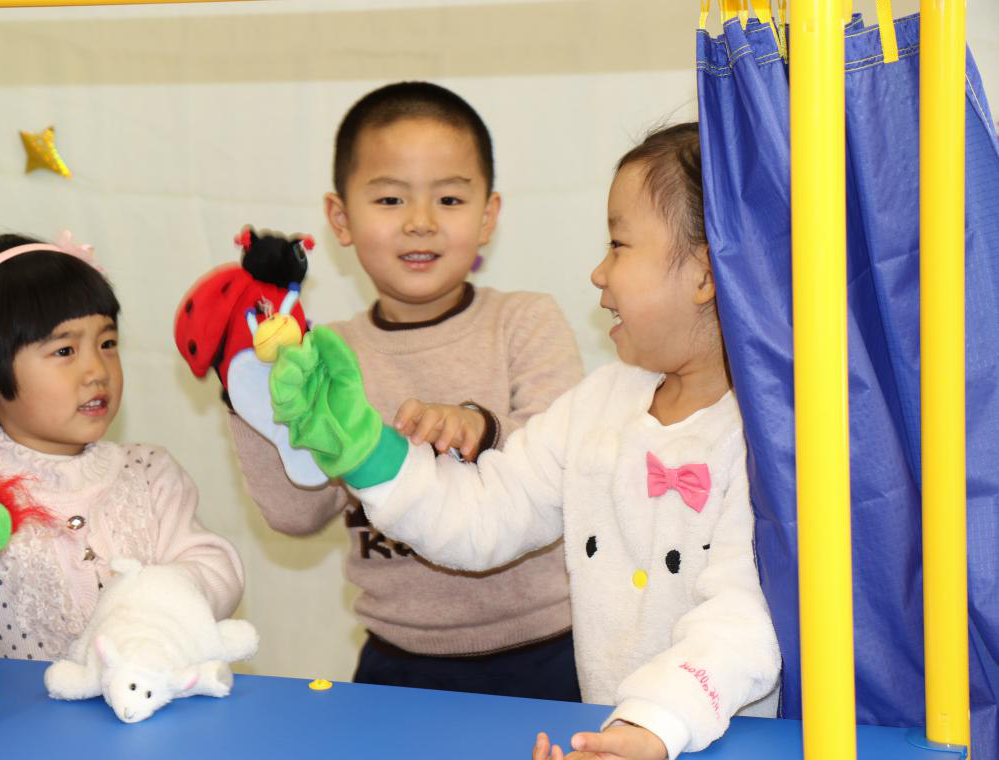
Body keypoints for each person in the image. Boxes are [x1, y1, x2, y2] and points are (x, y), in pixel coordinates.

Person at [270, 123, 780, 760]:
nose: (598, 272)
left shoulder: (767, 438)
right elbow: (485, 515)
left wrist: (654, 725)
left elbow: (743, 619)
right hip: (611, 736)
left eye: (618, 245)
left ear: (705, 274)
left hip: (717, 739)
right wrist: (369, 452)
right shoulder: (599, 404)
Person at [227, 81, 584, 700]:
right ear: (341, 219)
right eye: (391, 199)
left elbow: (570, 465)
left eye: (449, 198)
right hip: (398, 661)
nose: (420, 223)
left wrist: (480, 427)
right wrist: (248, 389)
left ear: (488, 216)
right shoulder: (326, 356)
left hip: (549, 653)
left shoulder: (526, 320)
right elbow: (295, 513)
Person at [0, 233, 245, 662]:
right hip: (20, 706)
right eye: (65, 350)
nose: (97, 370)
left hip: (150, 693)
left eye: (107, 344)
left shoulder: (149, 471)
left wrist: (161, 600)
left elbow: (213, 565)